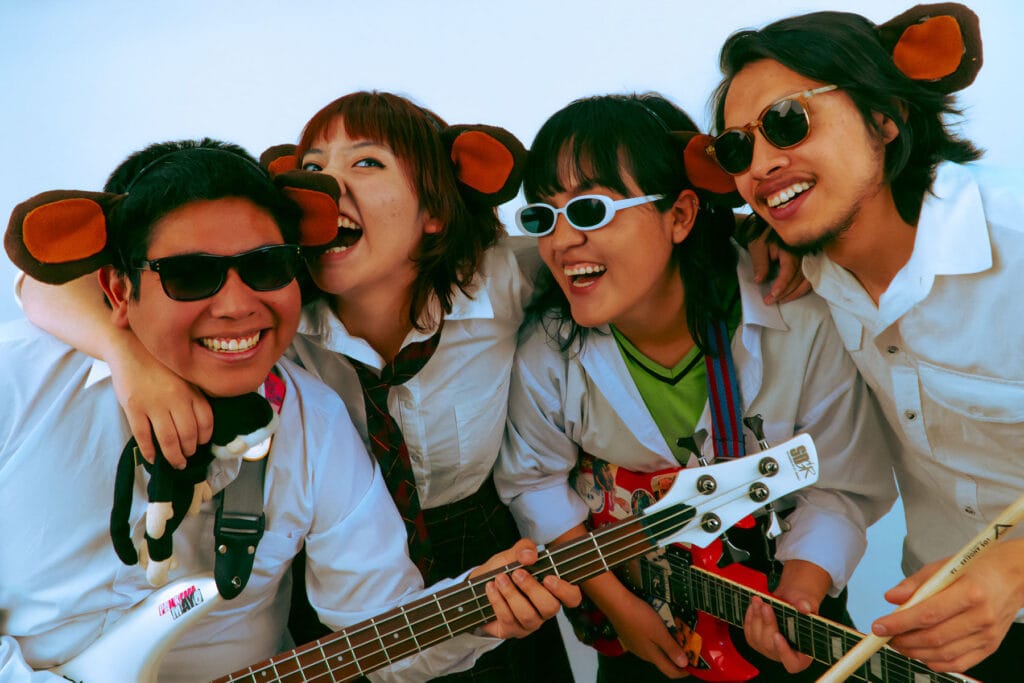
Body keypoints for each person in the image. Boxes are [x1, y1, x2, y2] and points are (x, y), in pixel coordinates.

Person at [17, 92, 573, 681]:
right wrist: (128, 358)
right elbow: (42, 281)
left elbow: (377, 620)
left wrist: (474, 615)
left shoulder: (315, 403)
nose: (235, 306)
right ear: (118, 290)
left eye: (264, 266)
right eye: (190, 276)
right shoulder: (31, 383)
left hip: (467, 535)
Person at [493, 93, 897, 682]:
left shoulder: (800, 321)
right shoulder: (550, 350)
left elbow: (840, 483)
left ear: (680, 215)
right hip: (639, 627)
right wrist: (619, 605)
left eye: (589, 212)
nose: (560, 241)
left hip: (783, 595)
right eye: (543, 217)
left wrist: (801, 592)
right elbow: (534, 480)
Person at [709, 4, 1024, 678]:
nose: (761, 163)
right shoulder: (807, 273)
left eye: (787, 121)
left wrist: (1017, 569)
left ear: (886, 117)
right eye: (737, 148)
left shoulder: (1016, 240)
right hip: (946, 634)